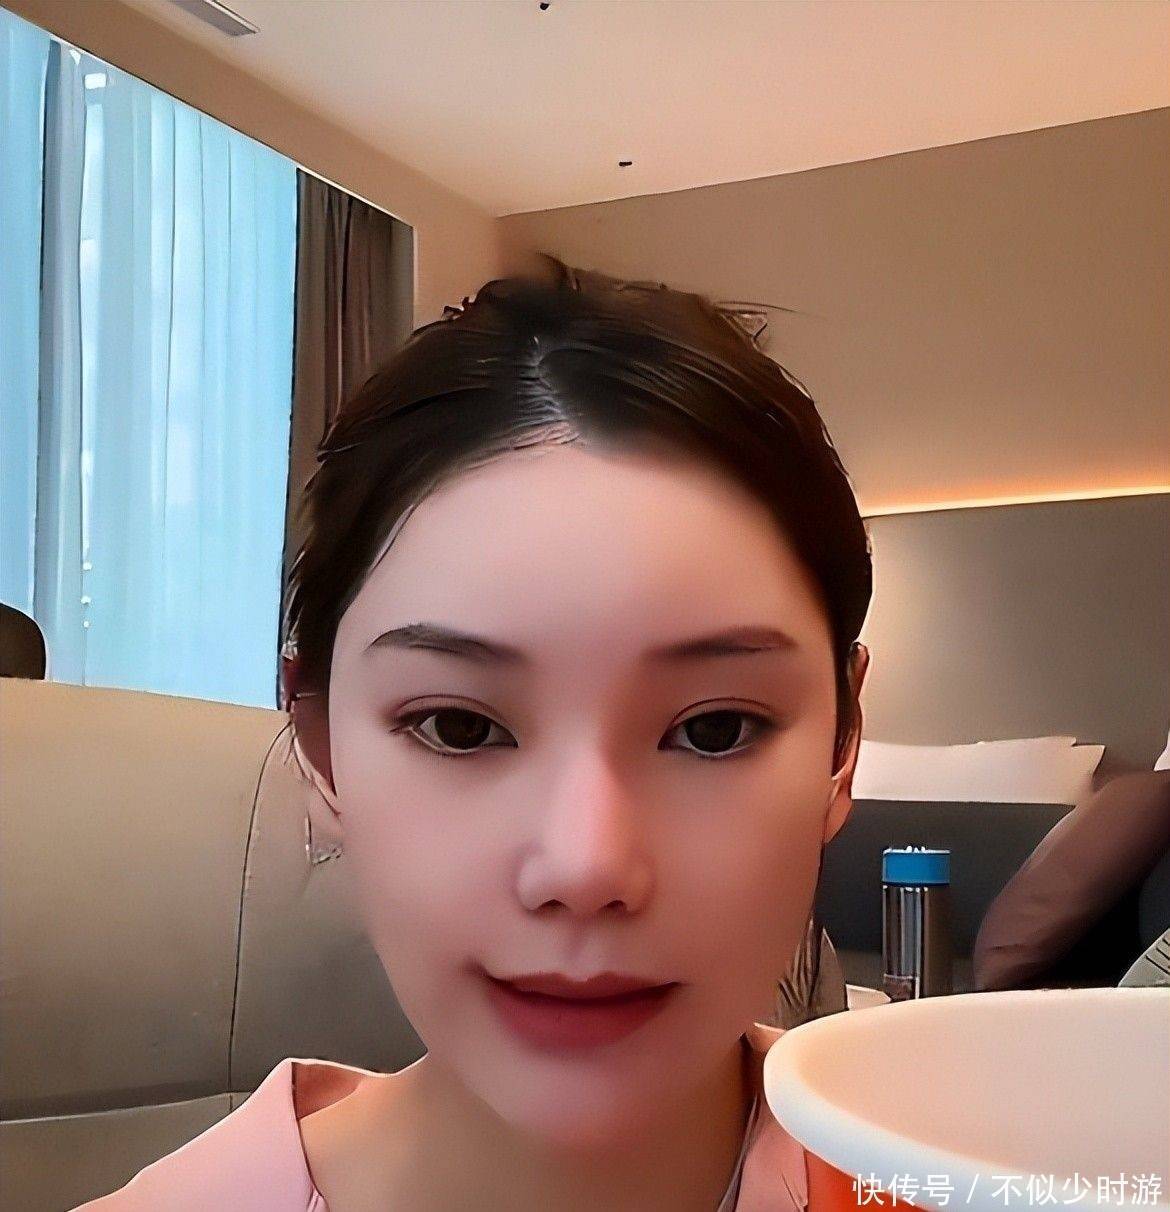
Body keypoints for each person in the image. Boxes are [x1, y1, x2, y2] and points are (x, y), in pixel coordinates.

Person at [76, 258, 876, 1211]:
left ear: (842, 749)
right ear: (322, 749)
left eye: (713, 730)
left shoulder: (955, 1175)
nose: (585, 867)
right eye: (459, 727)